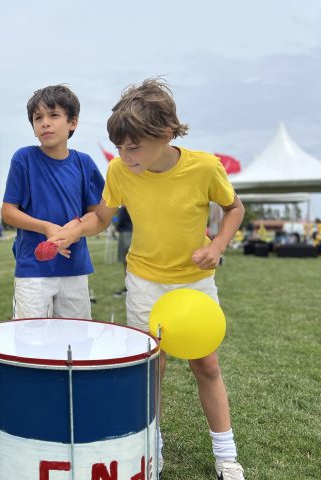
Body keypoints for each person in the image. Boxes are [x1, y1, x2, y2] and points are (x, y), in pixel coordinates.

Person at [52, 79, 246, 480]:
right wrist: (75, 229)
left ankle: (226, 454)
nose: (125, 155)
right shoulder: (120, 170)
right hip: (143, 281)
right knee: (149, 366)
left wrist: (218, 246)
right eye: (120, 147)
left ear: (166, 133)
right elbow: (102, 217)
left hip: (194, 283)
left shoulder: (205, 167)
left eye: (134, 146)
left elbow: (234, 209)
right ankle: (149, 444)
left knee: (206, 365)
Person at [1, 85, 104, 319]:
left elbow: (96, 213)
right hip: (33, 268)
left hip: (74, 266)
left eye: (54, 115)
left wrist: (75, 228)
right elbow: (8, 212)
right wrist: (46, 227)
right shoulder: (24, 158)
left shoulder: (84, 163)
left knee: (75, 335)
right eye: (38, 118)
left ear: (72, 122)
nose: (45, 123)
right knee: (31, 335)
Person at [113, 206, 132, 297]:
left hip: (125, 234)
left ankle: (127, 288)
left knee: (126, 262)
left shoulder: (124, 208)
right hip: (134, 234)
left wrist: (116, 229)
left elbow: (120, 221)